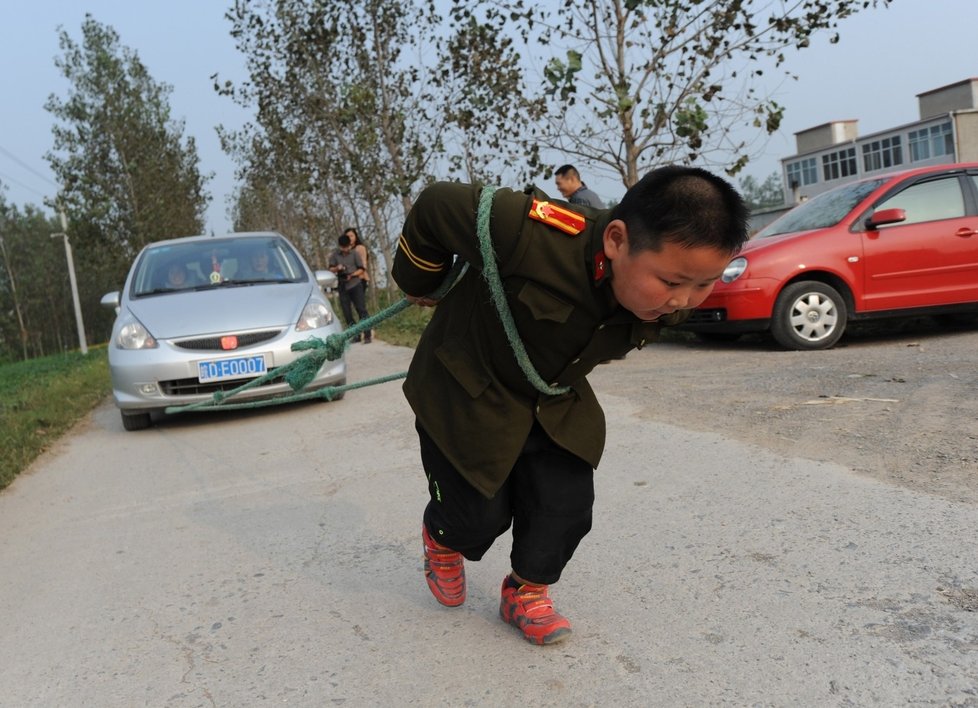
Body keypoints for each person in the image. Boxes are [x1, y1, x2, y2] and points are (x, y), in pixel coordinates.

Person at [391, 165, 749, 645]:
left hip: (553, 395)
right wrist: (421, 279)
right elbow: (437, 204)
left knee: (566, 505)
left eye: (703, 284)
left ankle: (525, 590)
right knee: (475, 516)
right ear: (617, 241)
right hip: (467, 385)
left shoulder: (667, 291)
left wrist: (672, 289)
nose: (682, 300)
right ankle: (441, 539)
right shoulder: (531, 232)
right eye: (670, 281)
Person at [328, 233, 372, 343]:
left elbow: (362, 269)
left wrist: (352, 275)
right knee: (347, 313)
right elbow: (330, 269)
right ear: (339, 246)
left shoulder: (355, 254)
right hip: (342, 286)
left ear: (350, 245)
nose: (345, 249)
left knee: (361, 310)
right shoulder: (335, 255)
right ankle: (355, 335)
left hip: (355, 284)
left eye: (347, 247)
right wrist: (337, 268)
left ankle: (367, 334)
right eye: (343, 247)